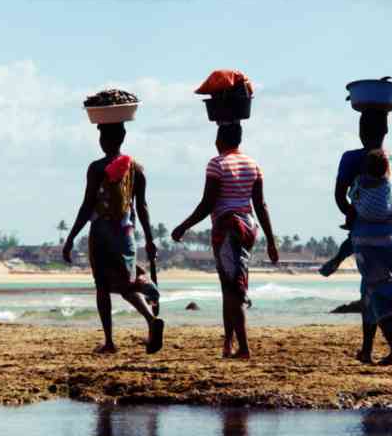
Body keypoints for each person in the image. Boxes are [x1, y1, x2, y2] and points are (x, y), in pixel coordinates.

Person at [172, 123, 279, 359]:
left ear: (219, 139)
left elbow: (207, 204)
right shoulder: (253, 165)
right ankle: (228, 343)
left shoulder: (217, 164)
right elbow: (260, 205)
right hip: (248, 229)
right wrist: (271, 240)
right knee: (229, 287)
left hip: (228, 229)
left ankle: (243, 347)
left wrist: (183, 226)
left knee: (232, 290)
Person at [62, 122, 165, 354]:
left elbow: (87, 205)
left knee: (102, 286)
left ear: (103, 140)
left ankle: (109, 342)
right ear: (123, 137)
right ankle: (150, 319)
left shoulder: (97, 168)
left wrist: (70, 238)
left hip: (102, 233)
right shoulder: (136, 169)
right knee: (126, 282)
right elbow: (143, 207)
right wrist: (149, 239)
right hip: (126, 233)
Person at [333, 110, 392, 366]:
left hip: (365, 239)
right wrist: (390, 213)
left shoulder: (350, 159)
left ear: (360, 131)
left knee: (376, 291)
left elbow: (339, 196)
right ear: (385, 131)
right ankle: (366, 350)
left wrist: (355, 215)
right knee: (376, 291)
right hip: (391, 239)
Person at [319, 149, 392, 277]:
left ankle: (344, 238)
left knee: (353, 212)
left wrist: (356, 207)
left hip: (363, 218)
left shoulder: (360, 179)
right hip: (387, 218)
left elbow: (347, 196)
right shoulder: (388, 181)